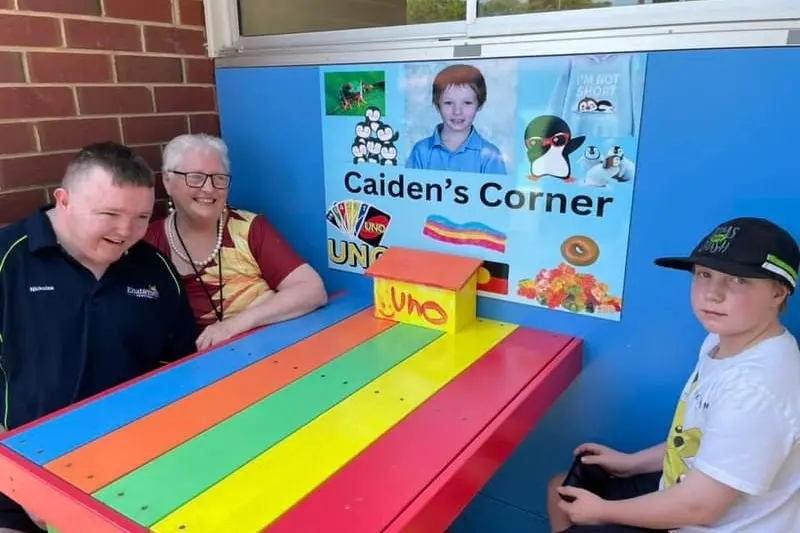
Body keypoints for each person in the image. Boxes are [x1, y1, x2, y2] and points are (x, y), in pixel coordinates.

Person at [548, 217, 800, 533]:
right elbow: (696, 443)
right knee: (561, 490)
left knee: (574, 509)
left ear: (778, 293)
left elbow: (700, 507)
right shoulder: (723, 340)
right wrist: (632, 462)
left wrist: (603, 511)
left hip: (707, 520)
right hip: (683, 495)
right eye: (704, 275)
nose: (712, 293)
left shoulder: (756, 389)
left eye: (737, 280)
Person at [0, 142, 198, 533]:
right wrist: (20, 483)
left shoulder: (154, 269)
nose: (126, 232)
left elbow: (179, 367)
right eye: (109, 214)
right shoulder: (8, 259)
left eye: (141, 217)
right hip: (16, 489)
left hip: (131, 484)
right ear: (64, 200)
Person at [144, 133, 327, 350]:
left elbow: (312, 289)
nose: (209, 188)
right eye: (195, 177)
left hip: (273, 354)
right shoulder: (147, 243)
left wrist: (234, 325)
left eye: (219, 178)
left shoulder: (249, 228)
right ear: (167, 181)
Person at [406, 64, 506, 174]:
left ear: (480, 105)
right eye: (448, 103)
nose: (457, 111)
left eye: (467, 103)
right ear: (437, 105)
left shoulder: (490, 156)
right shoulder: (421, 151)